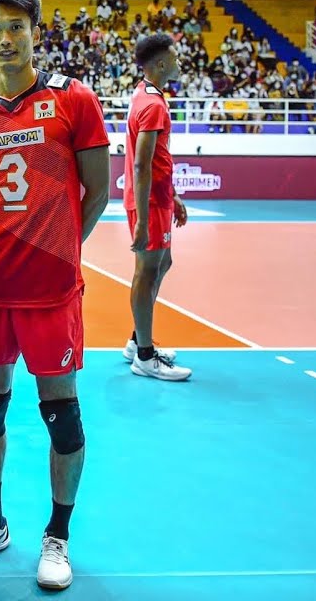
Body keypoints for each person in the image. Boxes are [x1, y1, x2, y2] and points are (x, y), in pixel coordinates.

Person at [0, 0, 111, 590]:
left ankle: (58, 536)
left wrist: (62, 250)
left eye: (16, 26)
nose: (5, 38)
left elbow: (100, 190)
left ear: (35, 33)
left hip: (51, 291)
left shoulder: (73, 99)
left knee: (60, 414)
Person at [123, 34, 192, 381]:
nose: (179, 63)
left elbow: (158, 159)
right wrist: (141, 219)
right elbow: (141, 164)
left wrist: (173, 195)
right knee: (146, 271)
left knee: (163, 263)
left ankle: (138, 340)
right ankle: (145, 356)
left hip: (159, 198)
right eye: (174, 58)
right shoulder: (152, 105)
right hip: (148, 201)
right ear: (161, 64)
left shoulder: (148, 95)